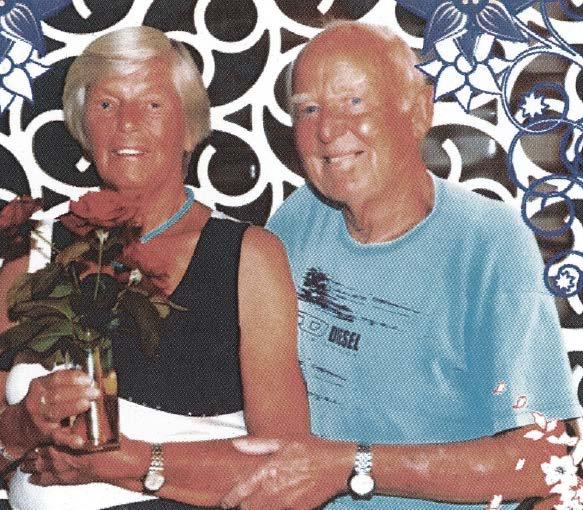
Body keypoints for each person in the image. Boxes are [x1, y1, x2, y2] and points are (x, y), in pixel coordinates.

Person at [0, 25, 310, 509]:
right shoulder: (36, 251)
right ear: (83, 126)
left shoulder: (247, 256)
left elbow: (288, 465)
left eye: (152, 104)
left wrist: (124, 463)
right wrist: (19, 426)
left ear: (189, 127)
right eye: (106, 104)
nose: (127, 124)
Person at [219, 21, 581, 510]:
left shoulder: (488, 243)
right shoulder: (298, 219)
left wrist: (352, 465)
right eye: (308, 109)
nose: (327, 130)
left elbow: (543, 456)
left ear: (418, 111)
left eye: (354, 102)